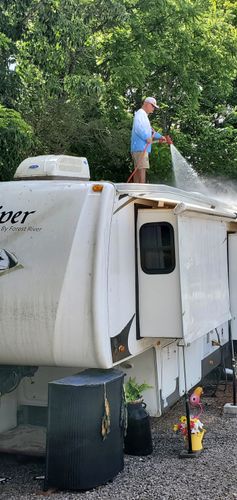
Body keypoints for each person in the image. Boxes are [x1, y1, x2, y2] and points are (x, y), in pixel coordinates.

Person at [130, 97, 168, 183]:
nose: (153, 109)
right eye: (153, 106)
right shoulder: (140, 113)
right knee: (142, 169)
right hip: (140, 148)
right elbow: (138, 128)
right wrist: (146, 137)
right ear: (146, 104)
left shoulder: (144, 116)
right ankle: (141, 192)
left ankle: (135, 191)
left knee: (138, 170)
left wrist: (160, 137)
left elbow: (150, 131)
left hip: (139, 147)